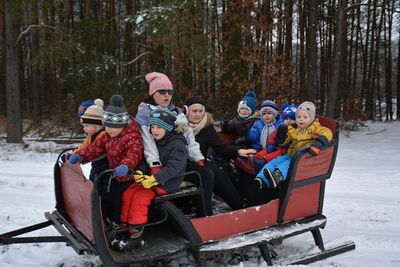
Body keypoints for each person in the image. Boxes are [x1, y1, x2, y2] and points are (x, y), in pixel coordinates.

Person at [135, 72, 214, 216]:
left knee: (210, 173)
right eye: (162, 91)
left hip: (177, 157)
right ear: (152, 93)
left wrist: (198, 158)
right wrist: (154, 165)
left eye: (170, 92)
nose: (167, 95)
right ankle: (203, 215)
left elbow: (189, 137)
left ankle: (236, 207)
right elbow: (148, 143)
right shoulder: (145, 114)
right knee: (205, 176)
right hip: (160, 160)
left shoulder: (176, 111)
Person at [115, 109, 188, 251]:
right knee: (129, 192)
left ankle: (136, 235)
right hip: (153, 178)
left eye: (158, 127)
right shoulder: (157, 141)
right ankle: (124, 228)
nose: (154, 131)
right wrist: (140, 172)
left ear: (167, 128)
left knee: (140, 198)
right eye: (152, 127)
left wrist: (155, 179)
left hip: (168, 182)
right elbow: (146, 159)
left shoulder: (178, 145)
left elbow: (174, 168)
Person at [68, 94, 143, 227]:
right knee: (106, 195)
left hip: (128, 175)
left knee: (118, 198)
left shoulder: (132, 137)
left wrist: (125, 166)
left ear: (121, 125)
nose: (107, 130)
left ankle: (119, 224)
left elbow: (134, 154)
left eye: (111, 127)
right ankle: (106, 221)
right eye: (106, 126)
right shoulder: (109, 135)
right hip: (114, 174)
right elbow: (95, 148)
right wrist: (80, 155)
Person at [184, 97, 257, 210]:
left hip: (200, 161)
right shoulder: (180, 126)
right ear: (186, 111)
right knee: (207, 175)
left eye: (200, 111)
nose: (198, 114)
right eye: (194, 111)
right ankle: (205, 215)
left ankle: (241, 208)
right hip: (182, 163)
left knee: (220, 176)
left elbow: (221, 147)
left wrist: (238, 151)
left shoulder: (206, 127)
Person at [254, 101, 333, 189]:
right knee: (274, 162)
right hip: (289, 154)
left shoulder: (315, 127)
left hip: (301, 157)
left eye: (305, 117)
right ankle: (260, 179)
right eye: (299, 117)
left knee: (286, 164)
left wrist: (319, 144)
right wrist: (281, 139)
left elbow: (327, 132)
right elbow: (287, 141)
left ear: (311, 118)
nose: (301, 119)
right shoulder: (293, 128)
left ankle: (277, 176)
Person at [235, 104, 297, 175]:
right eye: (264, 114)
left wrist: (276, 143)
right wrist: (247, 132)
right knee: (260, 153)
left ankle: (256, 166)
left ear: (274, 114)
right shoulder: (258, 124)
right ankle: (252, 161)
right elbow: (255, 137)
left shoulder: (280, 125)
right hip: (263, 146)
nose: (266, 116)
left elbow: (280, 137)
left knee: (268, 157)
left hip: (279, 148)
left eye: (269, 113)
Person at [73, 98, 109, 182]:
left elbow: (93, 149)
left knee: (98, 184)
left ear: (97, 125)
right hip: (96, 164)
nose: (84, 129)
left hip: (104, 166)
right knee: (92, 180)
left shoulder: (103, 135)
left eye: (87, 125)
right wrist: (73, 153)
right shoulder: (91, 135)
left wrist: (79, 156)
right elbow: (84, 146)